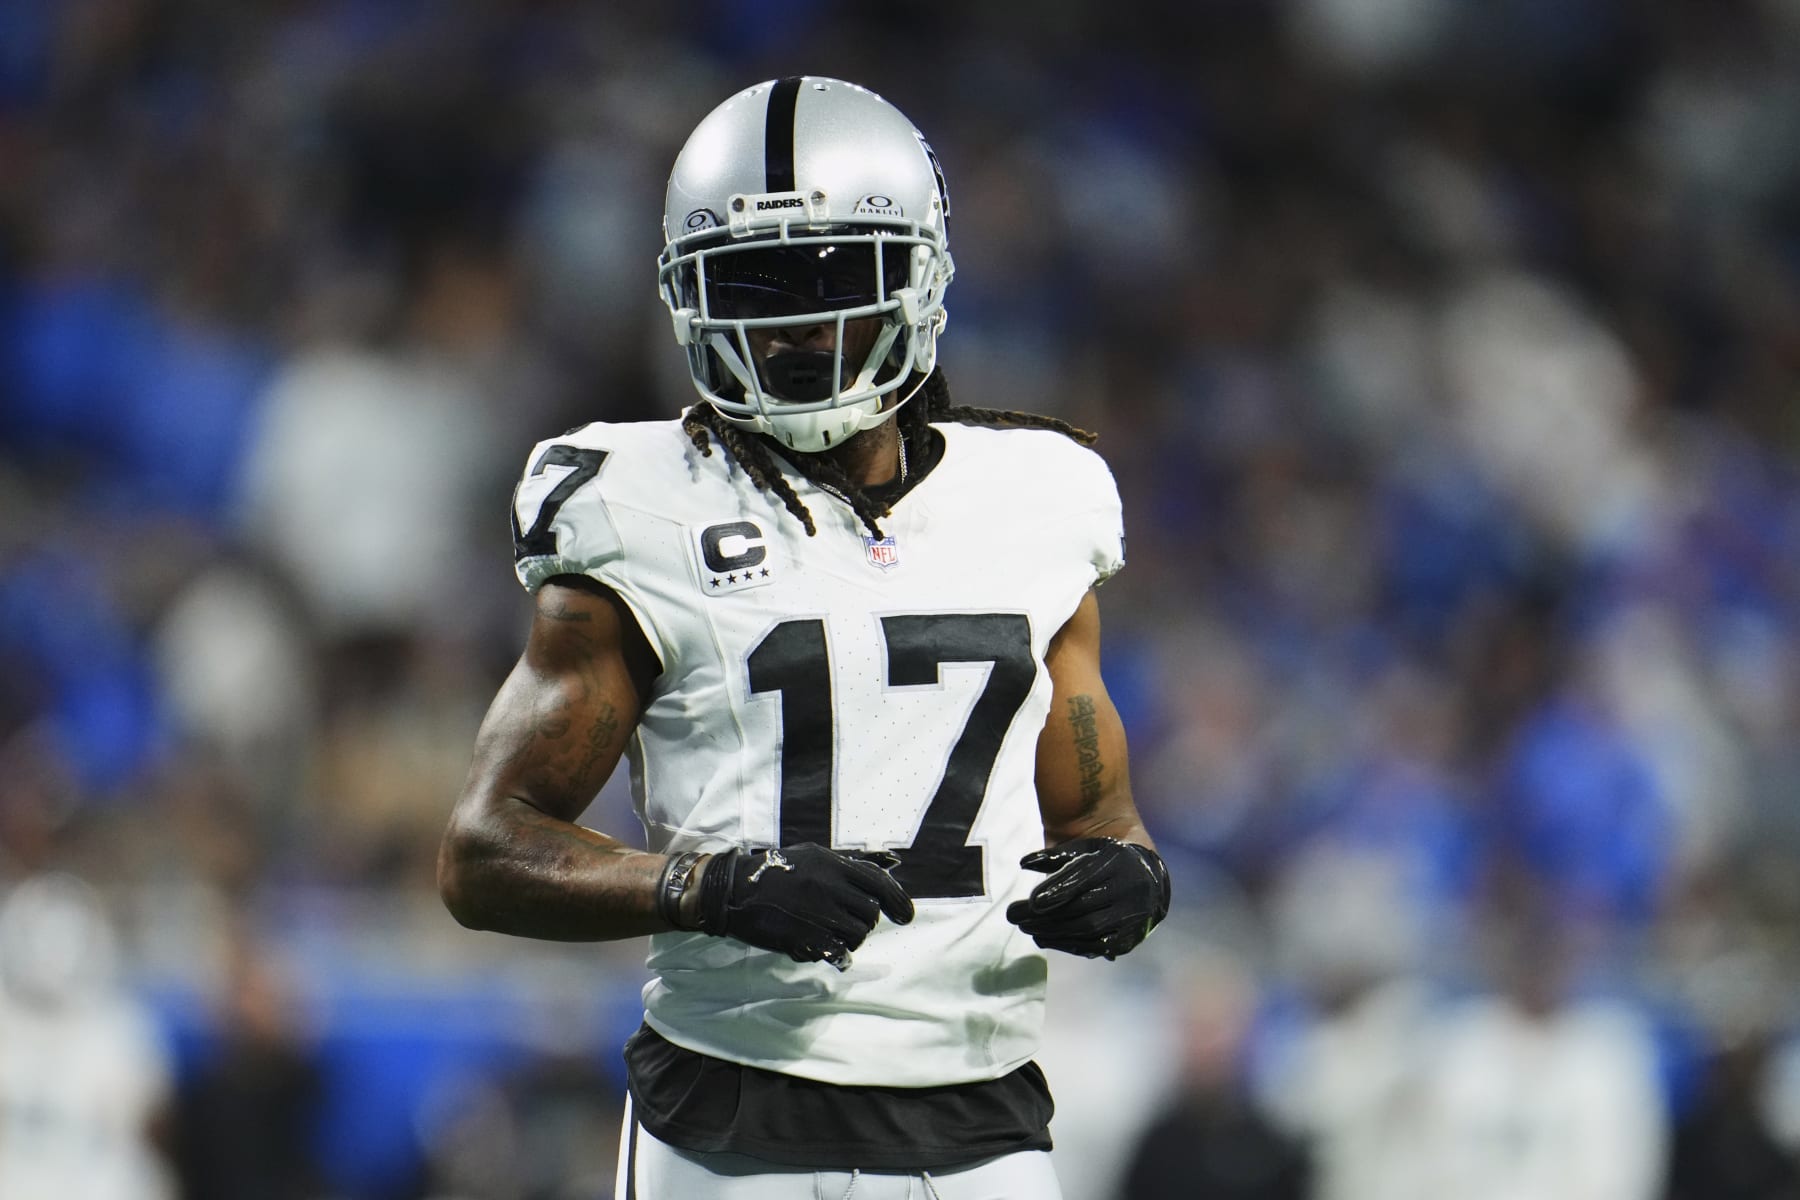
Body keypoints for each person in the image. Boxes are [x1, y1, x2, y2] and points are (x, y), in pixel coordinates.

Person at [438, 75, 1170, 1200]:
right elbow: (485, 852)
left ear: (919, 278)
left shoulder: (1039, 498)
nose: (792, 325)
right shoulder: (639, 505)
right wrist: (710, 888)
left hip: (985, 1120)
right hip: (738, 1116)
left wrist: (1131, 875)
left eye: (835, 278)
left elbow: (1099, 813)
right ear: (688, 297)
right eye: (754, 282)